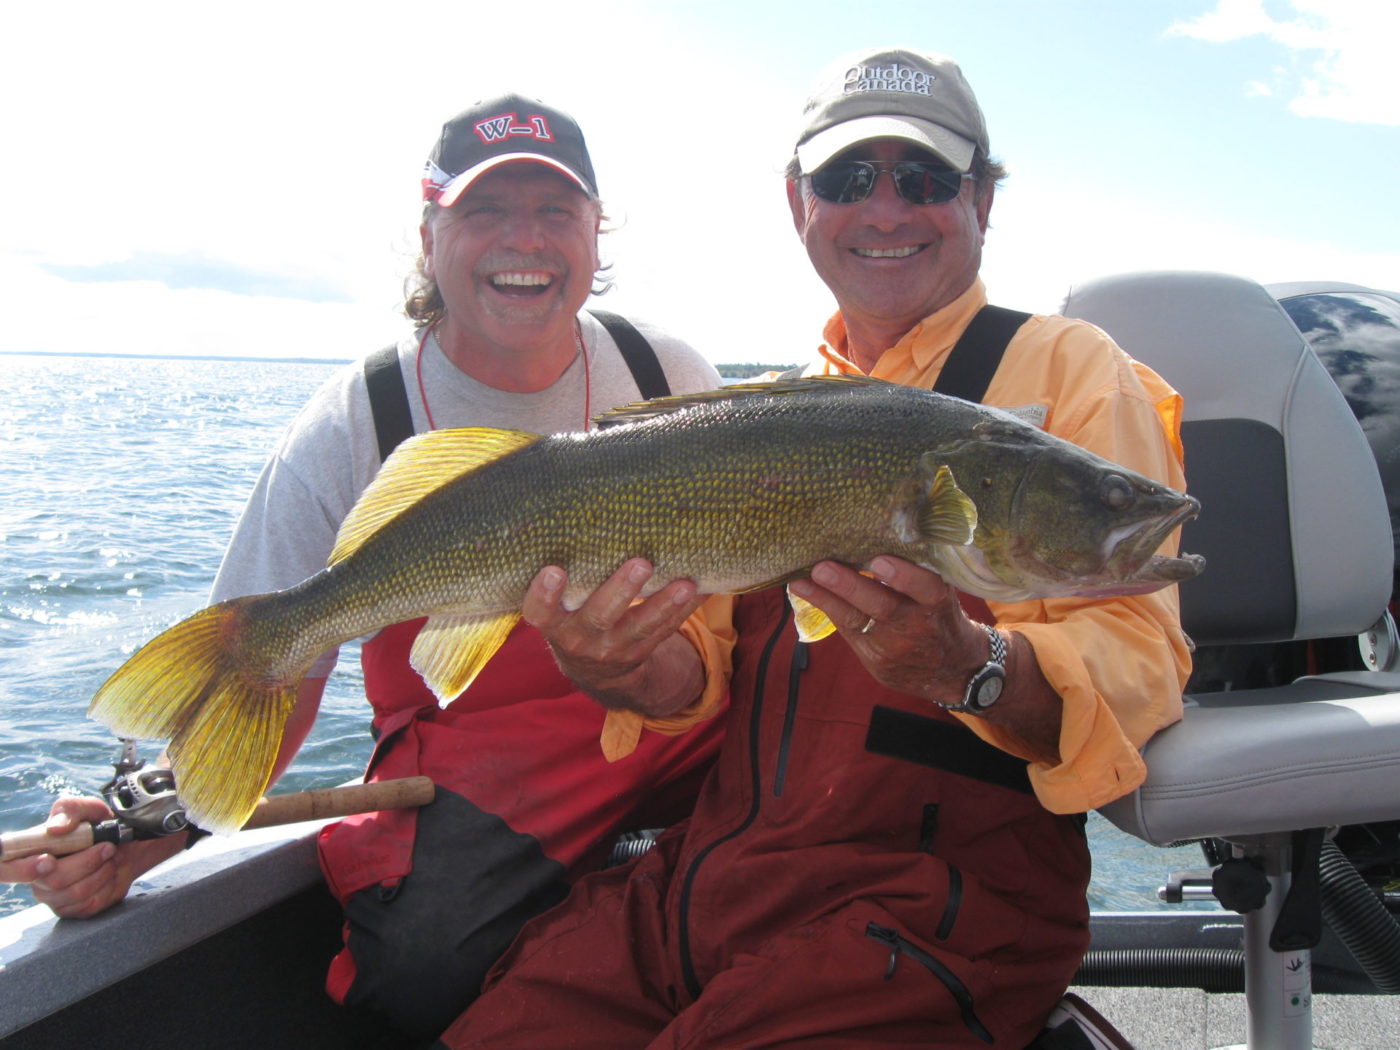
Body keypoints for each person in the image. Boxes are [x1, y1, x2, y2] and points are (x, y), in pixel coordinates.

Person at [434, 48, 1191, 1049]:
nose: (884, 209)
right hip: (712, 886)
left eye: (924, 178)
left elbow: (1141, 668)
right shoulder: (766, 411)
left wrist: (971, 667)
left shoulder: (1070, 370)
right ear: (799, 203)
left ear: (982, 198)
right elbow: (690, 676)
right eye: (846, 178)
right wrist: (612, 663)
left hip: (935, 909)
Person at [7, 94, 732, 1041]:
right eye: (485, 211)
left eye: (556, 211)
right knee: (423, 972)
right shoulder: (356, 420)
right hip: (487, 780)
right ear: (430, 237)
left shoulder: (669, 372)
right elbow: (271, 668)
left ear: (597, 234)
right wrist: (146, 834)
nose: (525, 240)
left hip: (682, 739)